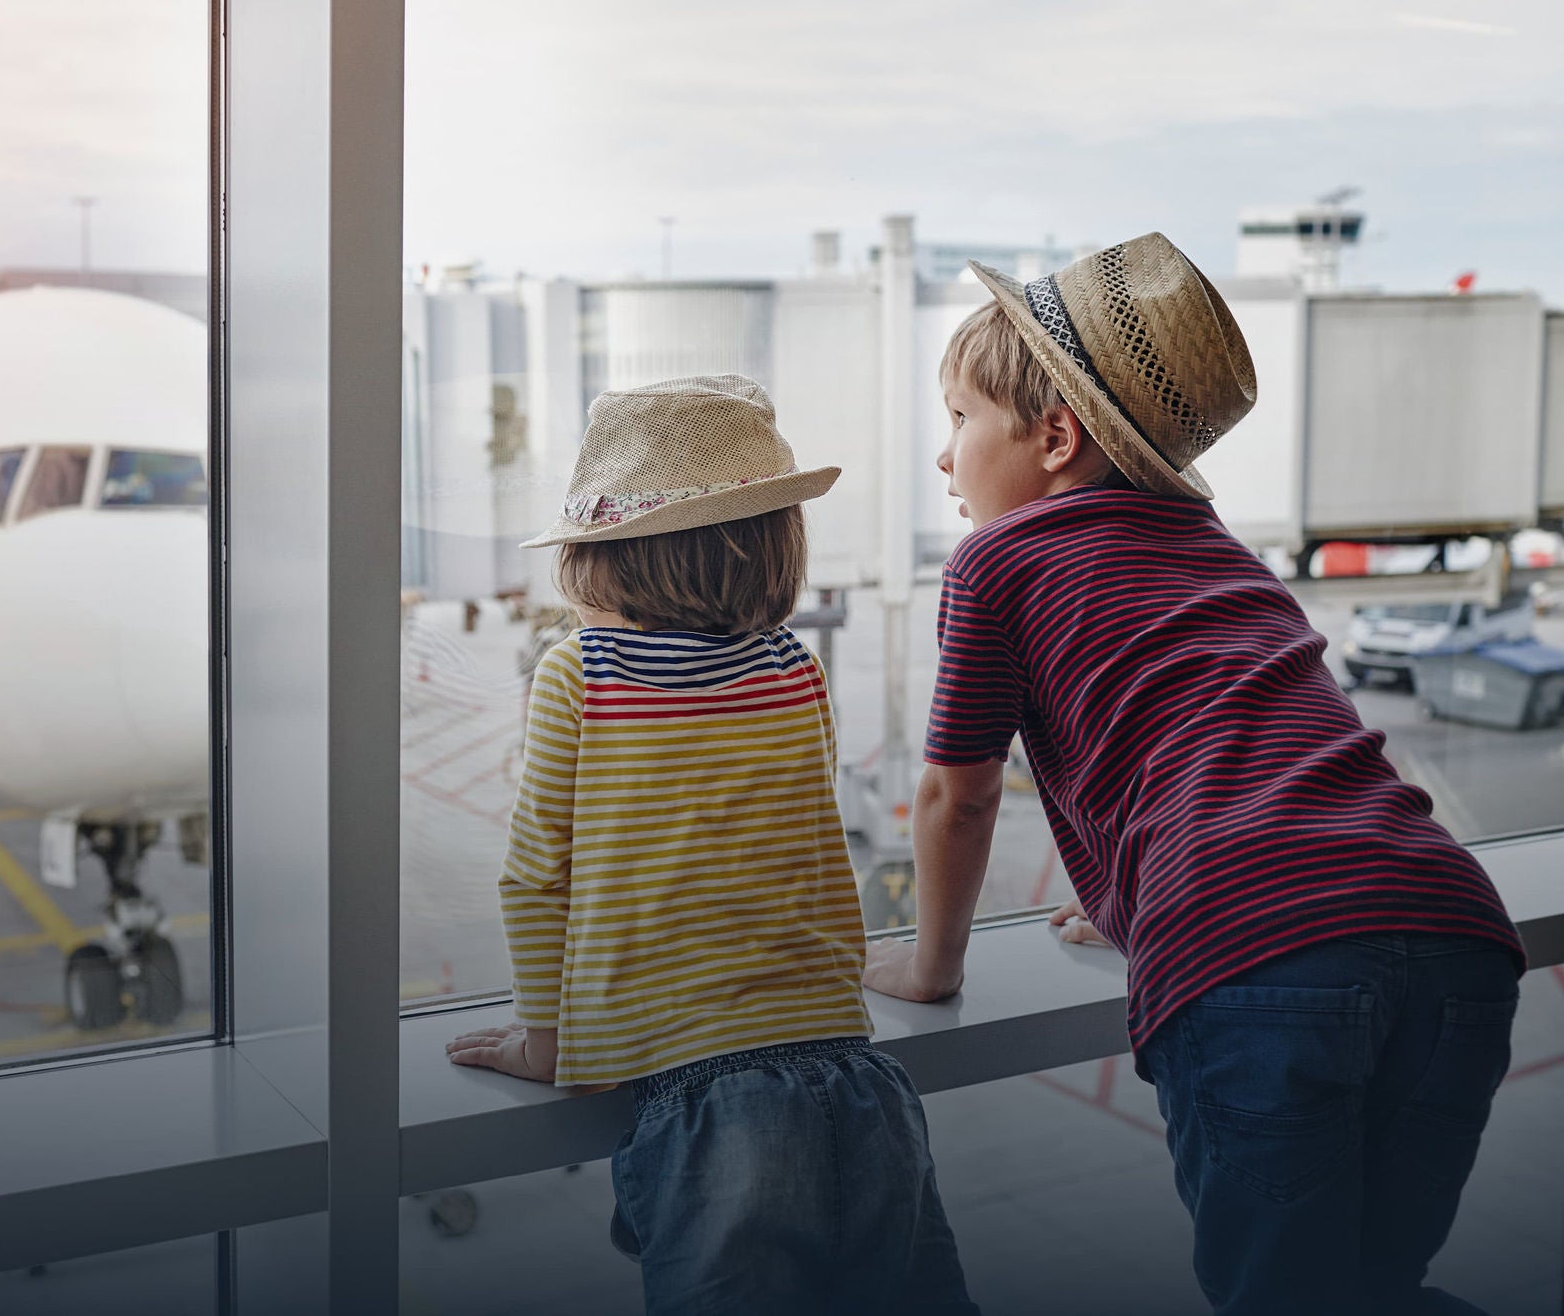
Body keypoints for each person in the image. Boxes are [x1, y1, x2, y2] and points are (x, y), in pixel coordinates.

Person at [862, 233, 1526, 1315]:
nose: (942, 457)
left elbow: (958, 791)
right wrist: (1132, 895)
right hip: (1450, 928)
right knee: (1374, 1285)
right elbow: (1239, 745)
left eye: (957, 421)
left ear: (1053, 435)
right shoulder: (1220, 551)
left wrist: (930, 970)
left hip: (1257, 966)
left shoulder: (996, 559)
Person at [446, 374, 978, 1316]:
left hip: (707, 1103)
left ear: (601, 548)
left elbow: (537, 877)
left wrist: (546, 1039)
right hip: (858, 1078)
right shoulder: (796, 668)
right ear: (775, 544)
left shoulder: (581, 671)